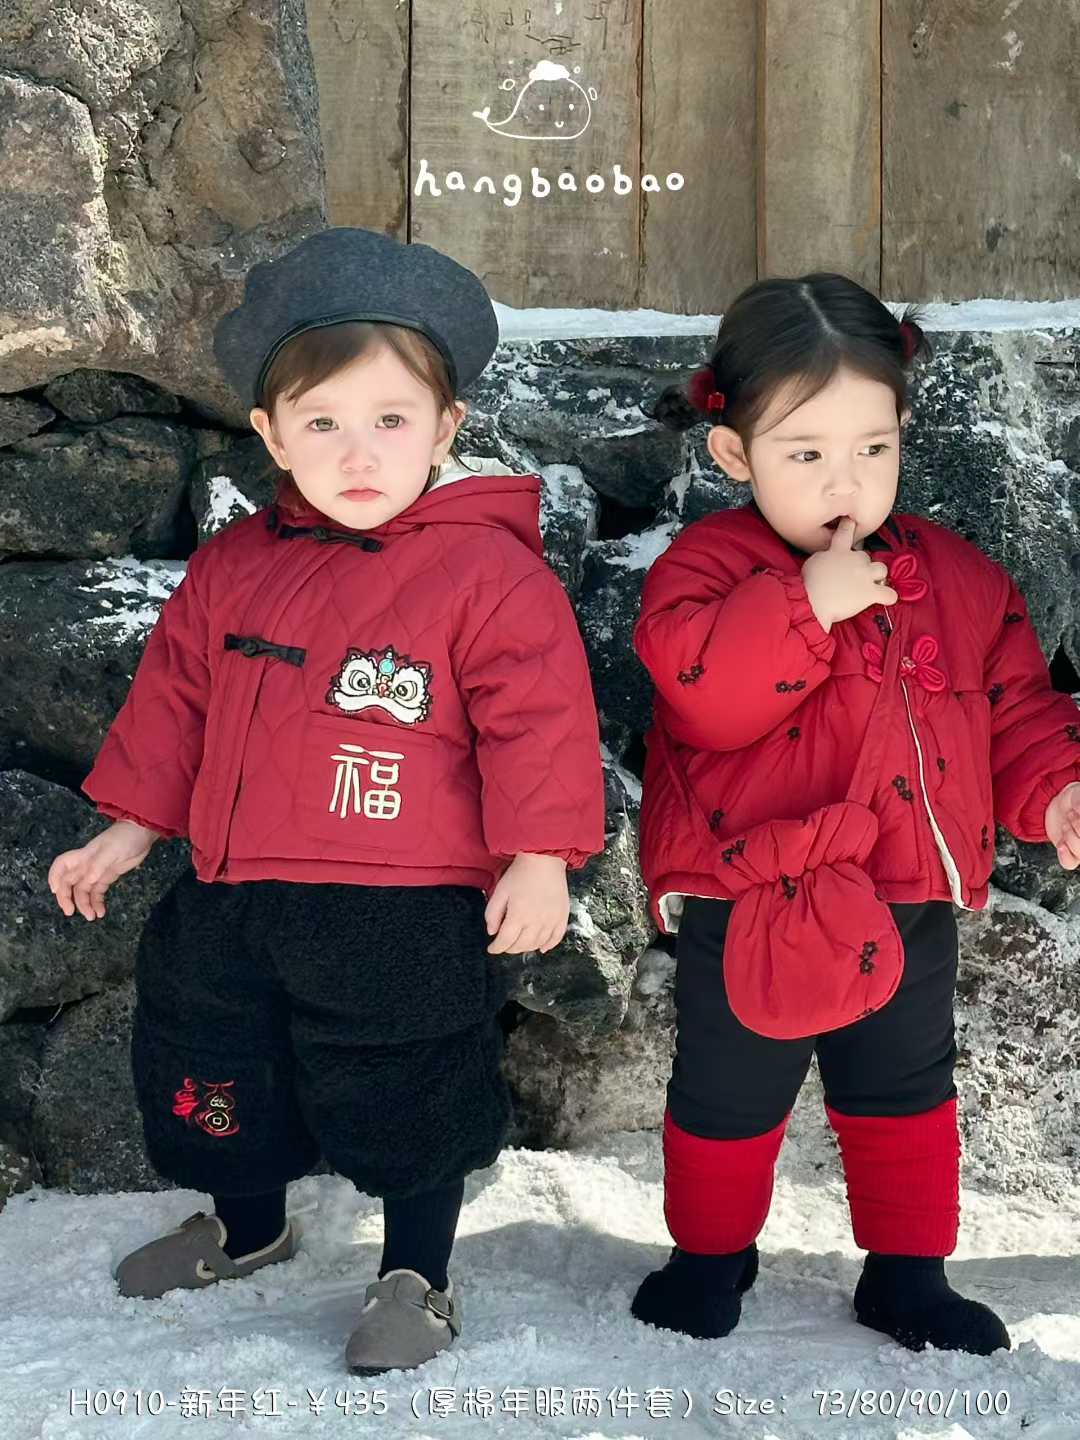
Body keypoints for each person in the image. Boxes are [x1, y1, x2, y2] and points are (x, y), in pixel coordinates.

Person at [47, 226, 605, 1375]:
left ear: (445, 429)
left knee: (409, 1076)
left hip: (400, 902)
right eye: (323, 424)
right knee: (214, 1055)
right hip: (236, 887)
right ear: (270, 434)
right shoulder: (233, 567)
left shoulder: (486, 573)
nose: (358, 453)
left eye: (391, 421)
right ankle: (249, 1224)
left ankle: (417, 1271)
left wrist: (541, 854)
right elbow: (176, 705)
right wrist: (131, 825)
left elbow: (539, 721)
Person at [630, 272, 1080, 1356]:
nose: (847, 480)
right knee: (730, 1089)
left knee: (904, 1089)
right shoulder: (706, 570)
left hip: (904, 891)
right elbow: (703, 692)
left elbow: (1015, 710)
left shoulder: (960, 579)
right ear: (735, 453)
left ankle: (909, 1273)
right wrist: (804, 606)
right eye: (807, 453)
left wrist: (1057, 786)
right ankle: (709, 1257)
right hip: (758, 893)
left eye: (873, 448)